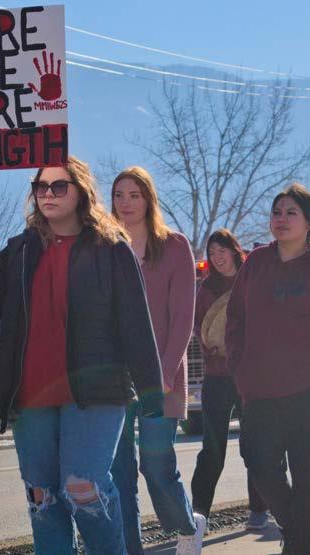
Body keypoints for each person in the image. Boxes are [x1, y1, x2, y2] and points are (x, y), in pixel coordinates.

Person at [0, 157, 164, 555]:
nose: (48, 194)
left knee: (83, 487)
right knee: (42, 498)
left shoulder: (111, 249)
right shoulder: (21, 249)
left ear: (81, 192)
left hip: (96, 392)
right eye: (41, 187)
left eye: (59, 186)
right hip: (31, 394)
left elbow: (135, 324)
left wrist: (151, 389)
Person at [226, 183, 310, 555]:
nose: (281, 219)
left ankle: (302, 544)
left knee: (308, 482)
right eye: (276, 212)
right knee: (260, 467)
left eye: (291, 213)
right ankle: (301, 533)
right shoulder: (256, 263)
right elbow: (234, 320)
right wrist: (240, 368)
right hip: (260, 393)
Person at [109, 166, 206, 555]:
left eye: (134, 194)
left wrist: (165, 372)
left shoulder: (175, 246)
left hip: (161, 377)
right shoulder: (105, 247)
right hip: (114, 380)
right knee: (118, 473)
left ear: (148, 199)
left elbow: (183, 317)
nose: (126, 202)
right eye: (119, 195)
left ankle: (187, 526)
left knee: (155, 466)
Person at [190, 229, 269, 530]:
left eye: (221, 251)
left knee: (255, 445)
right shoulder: (206, 289)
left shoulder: (251, 281)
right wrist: (207, 344)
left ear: (235, 250)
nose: (217, 257)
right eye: (212, 253)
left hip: (249, 376)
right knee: (212, 449)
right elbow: (199, 326)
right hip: (217, 376)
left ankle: (259, 509)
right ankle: (199, 515)